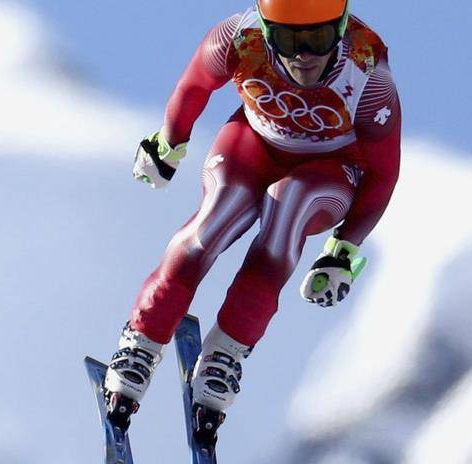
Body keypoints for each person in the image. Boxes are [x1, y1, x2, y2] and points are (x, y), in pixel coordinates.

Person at [104, 0, 401, 434]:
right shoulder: (238, 39)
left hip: (329, 169)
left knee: (288, 204)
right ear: (265, 29)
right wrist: (168, 142)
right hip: (253, 145)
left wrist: (343, 250)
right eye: (287, 39)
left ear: (340, 29)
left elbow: (383, 171)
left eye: (318, 38)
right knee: (215, 219)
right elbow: (194, 85)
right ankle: (141, 342)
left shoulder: (367, 70)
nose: (304, 55)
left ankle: (226, 353)